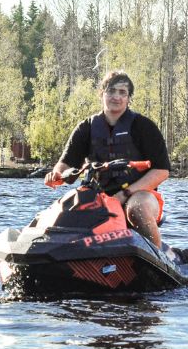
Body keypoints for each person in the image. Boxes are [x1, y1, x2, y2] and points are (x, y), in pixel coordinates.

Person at [45, 70, 170, 248]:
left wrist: (125, 194)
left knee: (136, 208)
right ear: (102, 94)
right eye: (111, 91)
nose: (116, 97)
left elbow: (162, 171)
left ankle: (157, 255)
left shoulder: (144, 127)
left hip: (140, 194)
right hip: (96, 195)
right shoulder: (85, 128)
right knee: (65, 208)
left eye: (122, 92)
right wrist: (56, 174)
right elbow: (65, 163)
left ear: (128, 98)